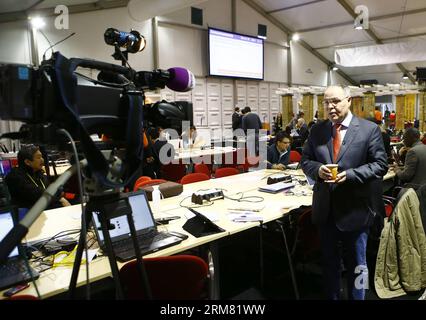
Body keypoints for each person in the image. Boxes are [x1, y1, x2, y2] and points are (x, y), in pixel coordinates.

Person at [301, 85, 388, 300]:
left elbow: (380, 165)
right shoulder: (317, 130)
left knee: (358, 265)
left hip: (355, 211)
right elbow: (305, 160)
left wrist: (350, 175)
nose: (330, 107)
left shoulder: (369, 130)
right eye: (326, 102)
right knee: (329, 265)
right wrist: (317, 170)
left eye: (336, 101)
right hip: (326, 211)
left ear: (348, 100)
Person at [5, 144, 71, 209]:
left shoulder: (37, 172)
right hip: (30, 212)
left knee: (77, 198)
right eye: (38, 157)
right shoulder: (15, 177)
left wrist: (61, 195)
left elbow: (51, 188)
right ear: (27, 162)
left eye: (41, 157)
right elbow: (37, 193)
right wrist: (60, 198)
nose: (42, 160)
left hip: (47, 204)